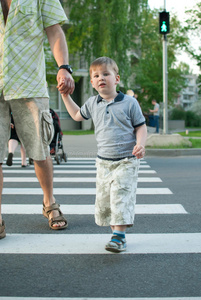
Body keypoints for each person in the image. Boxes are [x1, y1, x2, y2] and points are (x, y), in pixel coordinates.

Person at [0, 0, 75, 239]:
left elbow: (54, 31)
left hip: (29, 82)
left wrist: (63, 67)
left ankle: (49, 202)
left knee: (40, 151)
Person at [59, 57, 147, 253]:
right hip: (103, 162)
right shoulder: (92, 103)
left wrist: (140, 144)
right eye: (96, 75)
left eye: (106, 74)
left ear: (116, 78)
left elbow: (140, 127)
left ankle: (119, 236)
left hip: (126, 160)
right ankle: (116, 233)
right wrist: (65, 96)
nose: (101, 78)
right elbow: (76, 115)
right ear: (92, 82)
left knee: (120, 196)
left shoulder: (130, 103)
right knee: (106, 201)